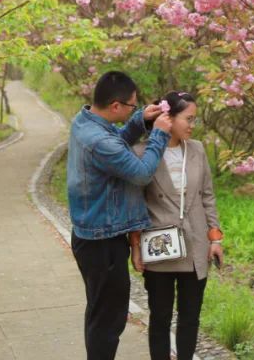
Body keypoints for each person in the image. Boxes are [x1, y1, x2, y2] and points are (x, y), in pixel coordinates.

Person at [67, 70, 173, 360]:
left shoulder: (86, 121)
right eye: (131, 106)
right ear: (115, 106)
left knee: (100, 312)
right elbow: (140, 174)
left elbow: (117, 140)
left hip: (93, 236)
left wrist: (140, 121)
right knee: (109, 319)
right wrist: (160, 135)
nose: (132, 110)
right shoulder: (99, 140)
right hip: (103, 242)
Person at [129, 91, 224, 360]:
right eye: (189, 118)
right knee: (159, 317)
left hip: (195, 247)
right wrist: (135, 246)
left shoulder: (196, 149)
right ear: (168, 118)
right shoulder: (140, 152)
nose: (193, 125)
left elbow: (207, 196)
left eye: (195, 119)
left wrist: (215, 239)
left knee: (190, 317)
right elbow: (134, 204)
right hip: (159, 247)